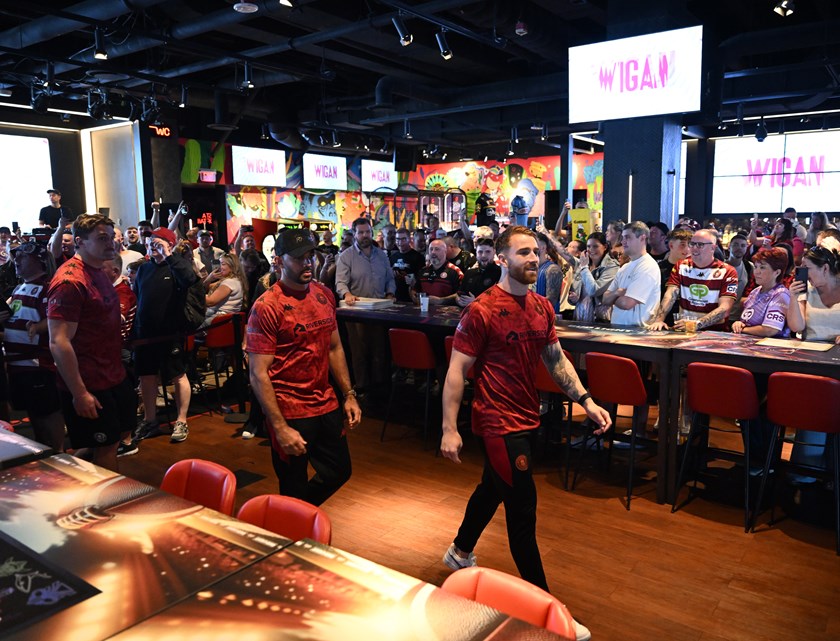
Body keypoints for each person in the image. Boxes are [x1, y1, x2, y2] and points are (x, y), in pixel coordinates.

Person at [440, 225, 610, 641]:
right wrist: (449, 429)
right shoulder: (481, 310)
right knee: (522, 515)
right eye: (523, 253)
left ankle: (459, 551)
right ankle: (551, 614)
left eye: (535, 252)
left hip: (526, 417)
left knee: (493, 488)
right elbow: (456, 372)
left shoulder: (540, 306)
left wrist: (586, 400)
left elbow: (555, 360)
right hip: (498, 424)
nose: (533, 259)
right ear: (502, 258)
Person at [247, 228, 361, 505]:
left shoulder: (323, 294)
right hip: (289, 410)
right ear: (278, 261)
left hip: (325, 404)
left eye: (310, 256)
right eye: (299, 257)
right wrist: (279, 426)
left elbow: (334, 347)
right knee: (293, 485)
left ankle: (294, 519)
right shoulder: (267, 306)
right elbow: (258, 373)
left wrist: (348, 394)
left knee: (339, 472)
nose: (307, 262)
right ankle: (293, 531)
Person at [47, 214, 135, 471]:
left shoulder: (98, 270)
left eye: (111, 237)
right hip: (89, 381)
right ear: (79, 242)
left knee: (115, 437)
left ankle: (84, 477)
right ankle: (107, 504)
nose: (111, 243)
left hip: (112, 373)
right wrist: (79, 392)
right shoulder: (70, 281)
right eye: (102, 238)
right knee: (105, 445)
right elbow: (59, 341)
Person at [133, 227, 197, 444]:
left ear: (170, 245)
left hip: (170, 333)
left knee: (178, 374)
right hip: (145, 334)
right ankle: (150, 420)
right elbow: (138, 297)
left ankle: (181, 419)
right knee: (146, 376)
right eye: (150, 241)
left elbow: (189, 279)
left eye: (158, 242)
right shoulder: (144, 269)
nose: (152, 245)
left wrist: (169, 256)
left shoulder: (178, 265)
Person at [1, 242, 64, 451]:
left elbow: (57, 317)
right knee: (33, 414)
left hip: (38, 365)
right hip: (17, 365)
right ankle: (46, 454)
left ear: (39, 261)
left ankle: (59, 453)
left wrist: (39, 326)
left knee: (48, 413)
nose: (16, 261)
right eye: (16, 257)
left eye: (22, 258)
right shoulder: (19, 288)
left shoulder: (48, 287)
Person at [335, 218, 396, 397]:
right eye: (360, 232)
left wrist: (390, 292)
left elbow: (390, 279)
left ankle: (379, 388)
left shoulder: (381, 255)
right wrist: (346, 294)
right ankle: (361, 387)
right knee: (359, 350)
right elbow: (340, 282)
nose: (364, 236)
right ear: (354, 234)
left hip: (380, 309)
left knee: (379, 349)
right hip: (357, 311)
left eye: (367, 232)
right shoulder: (346, 256)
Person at [648, 229, 739, 332]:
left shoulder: (727, 271)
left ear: (713, 248)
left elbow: (725, 308)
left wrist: (696, 324)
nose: (694, 248)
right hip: (685, 331)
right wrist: (659, 320)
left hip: (715, 333)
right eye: (692, 244)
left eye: (700, 245)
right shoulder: (681, 266)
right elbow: (670, 295)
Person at [601, 222, 661, 327]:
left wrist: (613, 296)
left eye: (628, 237)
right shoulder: (624, 267)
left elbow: (626, 303)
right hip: (617, 329)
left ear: (642, 238)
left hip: (638, 333)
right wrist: (617, 293)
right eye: (623, 238)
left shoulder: (648, 266)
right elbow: (605, 299)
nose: (623, 242)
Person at [731, 247, 789, 338]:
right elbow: (746, 320)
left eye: (762, 268)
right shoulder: (755, 291)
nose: (756, 272)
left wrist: (743, 330)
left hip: (771, 348)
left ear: (777, 272)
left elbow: (770, 329)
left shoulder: (781, 294)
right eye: (756, 267)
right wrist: (738, 324)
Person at [567, 232, 620, 322]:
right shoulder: (583, 263)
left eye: (595, 246)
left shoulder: (612, 266)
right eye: (588, 246)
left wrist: (584, 267)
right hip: (580, 315)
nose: (591, 249)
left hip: (599, 318)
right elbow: (562, 252)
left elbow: (594, 290)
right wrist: (575, 297)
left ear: (605, 247)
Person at [412, 238, 463, 306]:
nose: (433, 252)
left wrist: (441, 301)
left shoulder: (455, 271)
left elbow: (461, 294)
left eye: (437, 249)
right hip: (425, 311)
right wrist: (414, 296)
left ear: (445, 251)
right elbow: (415, 290)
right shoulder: (423, 271)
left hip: (447, 314)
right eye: (431, 249)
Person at [202, 252, 248, 326]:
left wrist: (192, 295)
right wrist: (209, 279)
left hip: (218, 320)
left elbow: (210, 301)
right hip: (222, 320)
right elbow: (206, 287)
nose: (219, 267)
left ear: (232, 267)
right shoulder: (234, 280)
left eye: (223, 264)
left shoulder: (229, 282)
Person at [457, 238, 501, 307]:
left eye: (488, 252)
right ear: (476, 253)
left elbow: (501, 301)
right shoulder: (469, 273)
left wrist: (476, 302)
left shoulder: (500, 274)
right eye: (480, 252)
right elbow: (459, 294)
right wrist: (459, 300)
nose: (483, 255)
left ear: (494, 252)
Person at [390, 227, 425, 303]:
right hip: (396, 297)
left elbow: (422, 278)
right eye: (398, 239)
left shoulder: (418, 257)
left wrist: (412, 278)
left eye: (403, 239)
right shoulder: (392, 257)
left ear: (409, 239)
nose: (400, 242)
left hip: (412, 297)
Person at [534, 232, 566, 313]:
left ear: (543, 247)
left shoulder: (552, 269)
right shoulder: (529, 269)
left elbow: (551, 302)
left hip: (546, 319)